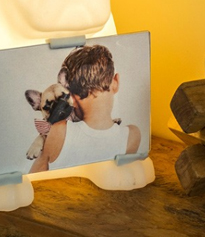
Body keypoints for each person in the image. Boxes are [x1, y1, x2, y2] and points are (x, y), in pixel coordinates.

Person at [30, 44, 141, 173]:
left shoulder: (59, 130)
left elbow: (34, 177)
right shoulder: (132, 135)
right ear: (115, 82)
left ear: (71, 95)